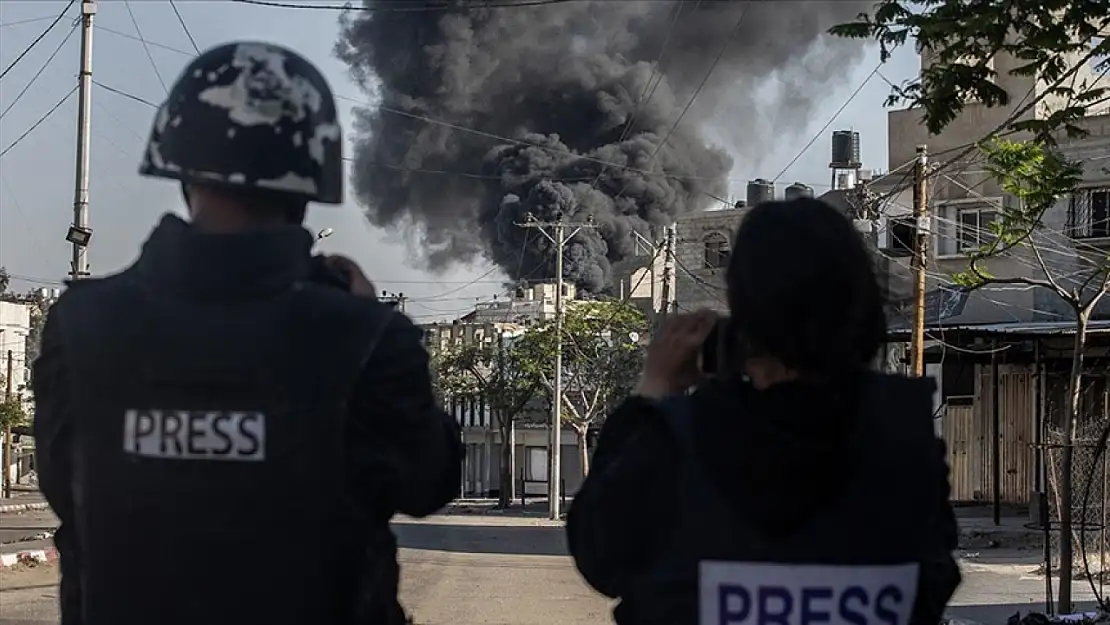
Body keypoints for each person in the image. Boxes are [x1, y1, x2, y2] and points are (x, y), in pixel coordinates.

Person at [32, 41, 461, 625]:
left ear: (181, 164)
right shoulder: (365, 338)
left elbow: (66, 491)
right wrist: (376, 324)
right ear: (311, 176)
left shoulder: (80, 324)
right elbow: (428, 483)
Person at [566, 197, 961, 625]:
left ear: (741, 320)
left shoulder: (679, 439)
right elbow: (932, 582)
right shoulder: (903, 438)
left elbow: (601, 556)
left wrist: (651, 392)